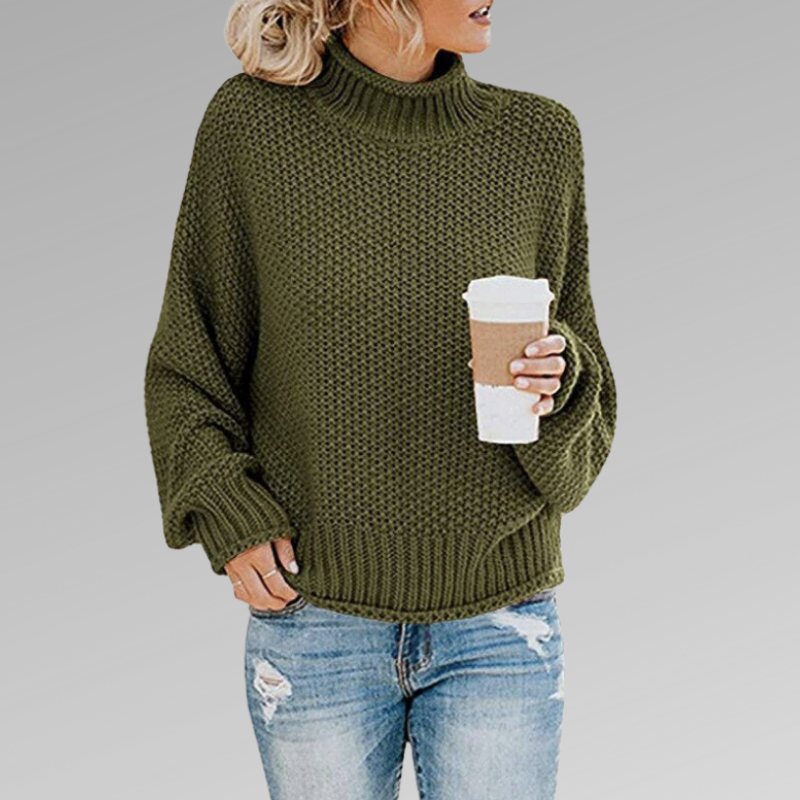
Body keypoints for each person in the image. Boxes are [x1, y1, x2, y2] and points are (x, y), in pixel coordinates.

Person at [143, 1, 617, 797]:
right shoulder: (251, 128)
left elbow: (587, 398)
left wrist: (558, 378)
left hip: (499, 625)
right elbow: (188, 364)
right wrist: (226, 510)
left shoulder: (539, 140)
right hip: (316, 622)